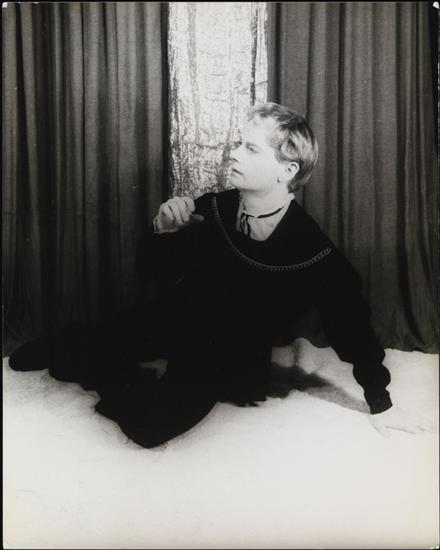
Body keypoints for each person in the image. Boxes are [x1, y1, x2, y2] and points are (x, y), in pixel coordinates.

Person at [8, 102, 425, 446]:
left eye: (250, 149)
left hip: (223, 354)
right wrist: (161, 231)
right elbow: (153, 273)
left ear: (287, 171)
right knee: (80, 350)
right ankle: (75, 345)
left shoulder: (314, 252)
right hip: (172, 317)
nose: (234, 154)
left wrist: (380, 401)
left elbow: (353, 330)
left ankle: (106, 369)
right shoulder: (215, 207)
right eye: (238, 144)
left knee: (149, 427)